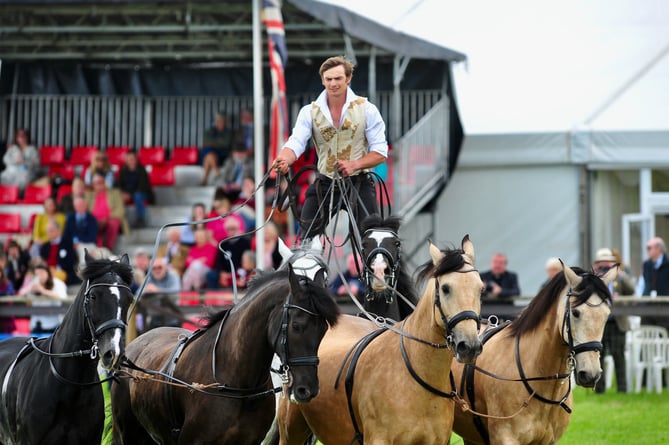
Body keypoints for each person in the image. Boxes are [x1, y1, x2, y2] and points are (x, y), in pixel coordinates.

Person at [272, 55, 388, 244]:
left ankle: (380, 273)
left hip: (358, 183)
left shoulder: (367, 109)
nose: (333, 83)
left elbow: (381, 152)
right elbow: (296, 141)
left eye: (338, 78)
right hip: (325, 183)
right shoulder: (309, 111)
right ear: (323, 80)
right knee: (306, 241)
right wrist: (284, 158)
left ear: (348, 78)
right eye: (329, 79)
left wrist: (354, 164)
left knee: (374, 240)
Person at [593, 248, 634, 394]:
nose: (605, 265)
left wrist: (620, 274)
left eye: (608, 262)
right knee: (599, 356)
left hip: (617, 322)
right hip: (599, 323)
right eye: (602, 262)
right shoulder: (594, 278)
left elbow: (632, 290)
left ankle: (622, 389)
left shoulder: (619, 277)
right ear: (597, 264)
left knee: (619, 356)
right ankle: (599, 389)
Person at [18, 262, 68, 334]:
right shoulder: (34, 283)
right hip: (35, 325)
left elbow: (62, 297)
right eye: (37, 274)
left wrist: (43, 291)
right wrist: (29, 289)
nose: (40, 276)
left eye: (42, 273)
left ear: (47, 272)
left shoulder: (57, 283)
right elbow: (20, 294)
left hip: (52, 325)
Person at [85, 172, 129, 252]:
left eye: (100, 182)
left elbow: (120, 210)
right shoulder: (89, 196)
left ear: (104, 183)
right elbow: (85, 211)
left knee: (114, 222)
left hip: (109, 219)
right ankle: (93, 249)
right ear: (93, 185)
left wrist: (107, 218)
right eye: (96, 183)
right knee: (89, 223)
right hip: (95, 220)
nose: (99, 185)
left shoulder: (115, 193)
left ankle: (108, 248)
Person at [205, 219, 251, 290]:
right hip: (225, 272)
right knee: (211, 275)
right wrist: (222, 272)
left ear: (237, 228)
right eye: (228, 229)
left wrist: (232, 274)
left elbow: (246, 262)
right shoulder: (223, 243)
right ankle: (214, 298)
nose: (231, 231)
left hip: (239, 271)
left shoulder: (245, 242)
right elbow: (218, 261)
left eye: (233, 228)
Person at [116, 150, 155, 228]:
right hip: (128, 194)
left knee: (138, 196)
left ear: (136, 159)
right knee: (117, 197)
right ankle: (120, 221)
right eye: (129, 159)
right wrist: (123, 194)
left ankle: (141, 219)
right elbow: (119, 185)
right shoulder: (123, 171)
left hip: (143, 193)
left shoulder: (142, 170)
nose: (131, 161)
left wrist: (130, 195)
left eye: (132, 159)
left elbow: (143, 187)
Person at [636, 236, 669, 327]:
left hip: (665, 309)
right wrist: (639, 301)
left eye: (649, 248)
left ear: (659, 249)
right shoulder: (647, 264)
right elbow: (641, 284)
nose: (647, 250)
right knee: (647, 336)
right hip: (647, 309)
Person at [38, 219, 80, 285]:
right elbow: (42, 261)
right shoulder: (45, 246)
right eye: (48, 231)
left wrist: (57, 269)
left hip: (62, 272)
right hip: (47, 272)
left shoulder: (67, 244)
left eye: (51, 231)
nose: (49, 233)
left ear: (58, 231)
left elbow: (72, 261)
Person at [62, 195, 99, 266]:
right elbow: (66, 234)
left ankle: (88, 273)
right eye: (78, 205)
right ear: (74, 207)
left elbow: (92, 236)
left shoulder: (91, 219)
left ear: (86, 206)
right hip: (73, 244)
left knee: (88, 251)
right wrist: (72, 243)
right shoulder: (70, 218)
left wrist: (79, 241)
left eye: (82, 205)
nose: (80, 207)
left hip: (89, 243)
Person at [1, 128, 40, 193]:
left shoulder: (32, 149)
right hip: (12, 172)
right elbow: (5, 159)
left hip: (26, 173)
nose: (22, 138)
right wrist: (15, 161)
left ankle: (17, 195)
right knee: (2, 176)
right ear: (16, 138)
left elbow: (36, 163)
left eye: (24, 136)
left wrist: (24, 161)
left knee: (24, 179)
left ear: (27, 137)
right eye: (19, 136)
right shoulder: (13, 148)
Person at [201, 111, 234, 186]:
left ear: (225, 122)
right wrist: (218, 143)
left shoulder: (228, 132)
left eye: (222, 120)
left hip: (222, 156)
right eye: (219, 120)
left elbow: (226, 143)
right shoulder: (209, 131)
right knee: (209, 153)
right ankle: (216, 171)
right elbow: (205, 143)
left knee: (208, 156)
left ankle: (205, 179)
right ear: (216, 121)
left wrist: (212, 143)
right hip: (212, 154)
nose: (220, 122)